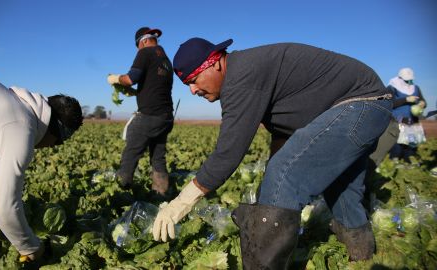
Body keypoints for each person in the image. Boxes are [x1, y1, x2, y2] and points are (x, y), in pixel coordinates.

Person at [152, 38, 393, 269]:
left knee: (284, 176)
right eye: (187, 85)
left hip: (360, 104)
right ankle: (362, 258)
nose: (193, 90)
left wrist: (182, 201)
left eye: (194, 80)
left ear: (214, 63)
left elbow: (228, 153)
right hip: (367, 105)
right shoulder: (247, 73)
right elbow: (282, 135)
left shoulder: (241, 76)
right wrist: (270, 192)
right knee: (342, 189)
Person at [0, 65, 83, 261]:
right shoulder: (20, 125)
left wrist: (17, 211)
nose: (52, 147)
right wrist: (31, 248)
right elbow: (4, 209)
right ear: (55, 132)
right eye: (58, 142)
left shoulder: (13, 104)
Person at [107, 27, 174, 196]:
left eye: (138, 46)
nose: (138, 50)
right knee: (158, 157)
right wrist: (135, 93)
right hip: (165, 116)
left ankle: (120, 192)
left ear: (143, 41)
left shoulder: (145, 52)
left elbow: (131, 78)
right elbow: (154, 87)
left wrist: (116, 78)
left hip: (149, 115)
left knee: (131, 153)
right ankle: (160, 194)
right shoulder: (166, 60)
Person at [387, 67, 427, 162]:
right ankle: (394, 160)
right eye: (406, 80)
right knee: (398, 144)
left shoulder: (415, 88)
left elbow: (423, 100)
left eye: (410, 80)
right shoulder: (392, 88)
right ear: (400, 78)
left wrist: (422, 103)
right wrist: (405, 100)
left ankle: (409, 160)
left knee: (411, 143)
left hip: (412, 121)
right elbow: (389, 103)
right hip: (398, 120)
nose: (409, 82)